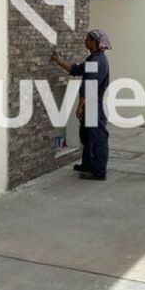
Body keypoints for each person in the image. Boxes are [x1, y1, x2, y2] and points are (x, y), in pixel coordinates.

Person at [51, 29, 112, 181]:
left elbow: (90, 87)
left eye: (88, 39)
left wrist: (80, 106)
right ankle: (87, 164)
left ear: (96, 43)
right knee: (86, 135)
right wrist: (58, 61)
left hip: (94, 105)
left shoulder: (97, 61)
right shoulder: (94, 58)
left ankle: (99, 171)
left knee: (97, 138)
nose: (85, 41)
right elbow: (76, 70)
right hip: (92, 104)